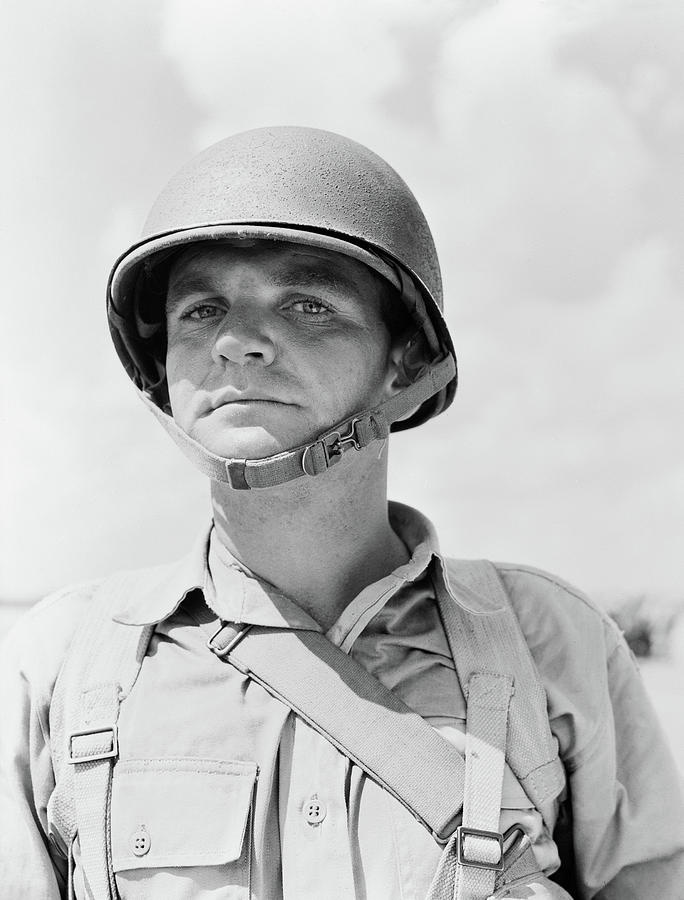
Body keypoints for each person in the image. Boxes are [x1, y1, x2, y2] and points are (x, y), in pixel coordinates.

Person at [1, 126, 683, 900]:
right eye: (200, 309)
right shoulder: (63, 667)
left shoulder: (554, 648)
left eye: (308, 304)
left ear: (407, 360)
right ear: (160, 367)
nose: (238, 342)